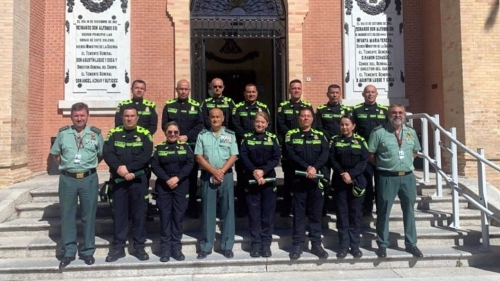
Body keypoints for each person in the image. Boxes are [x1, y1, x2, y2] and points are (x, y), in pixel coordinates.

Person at [50, 102, 104, 269]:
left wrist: (85, 167)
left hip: (88, 178)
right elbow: (56, 155)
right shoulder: (63, 133)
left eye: (82, 115)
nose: (79, 118)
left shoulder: (96, 134)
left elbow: (100, 155)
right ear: (71, 117)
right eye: (76, 116)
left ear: (87, 116)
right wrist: (70, 168)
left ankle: (88, 251)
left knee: (89, 215)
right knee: (67, 215)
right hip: (68, 179)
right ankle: (68, 251)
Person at [367, 104, 423, 258]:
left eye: (400, 112)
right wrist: (386, 164)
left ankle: (411, 244)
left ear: (404, 114)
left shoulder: (410, 132)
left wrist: (404, 163)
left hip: (407, 177)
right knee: (384, 210)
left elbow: (415, 152)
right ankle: (383, 244)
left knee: (410, 211)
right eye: (394, 113)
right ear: (388, 114)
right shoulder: (379, 132)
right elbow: (371, 154)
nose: (397, 115)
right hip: (387, 177)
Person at [103, 105, 154, 262]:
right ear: (122, 117)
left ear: (137, 118)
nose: (129, 118)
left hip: (137, 181)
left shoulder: (145, 134)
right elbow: (107, 152)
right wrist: (119, 169)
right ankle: (118, 248)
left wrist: (129, 169)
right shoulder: (113, 133)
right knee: (119, 214)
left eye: (132, 116)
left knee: (139, 215)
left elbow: (146, 155)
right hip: (118, 181)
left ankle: (139, 247)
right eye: (126, 116)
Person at [284, 107, 329, 260]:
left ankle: (316, 244)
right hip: (298, 181)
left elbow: (325, 154)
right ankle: (297, 245)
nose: (305, 118)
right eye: (302, 115)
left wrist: (315, 168)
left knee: (316, 214)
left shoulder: (320, 135)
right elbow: (291, 154)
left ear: (312, 118)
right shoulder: (291, 135)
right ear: (298, 118)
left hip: (315, 181)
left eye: (308, 116)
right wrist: (307, 167)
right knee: (298, 214)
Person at [194, 108, 239, 259]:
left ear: (223, 118)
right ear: (209, 119)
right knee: (208, 213)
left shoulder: (230, 135)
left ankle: (227, 246)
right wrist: (214, 171)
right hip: (208, 177)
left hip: (225, 177)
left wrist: (221, 172)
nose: (215, 119)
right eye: (212, 117)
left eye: (217, 117)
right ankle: (206, 246)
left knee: (228, 211)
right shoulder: (202, 136)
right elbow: (199, 157)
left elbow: (234, 155)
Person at [115, 79, 158, 221]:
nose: (139, 90)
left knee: (143, 182)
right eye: (136, 88)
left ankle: (144, 211)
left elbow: (153, 126)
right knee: (125, 185)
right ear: (132, 89)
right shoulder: (123, 105)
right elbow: (117, 125)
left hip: (142, 150)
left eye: (142, 88)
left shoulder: (150, 106)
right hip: (125, 149)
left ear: (145, 90)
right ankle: (127, 212)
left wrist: (142, 138)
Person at [151, 121, 195, 262]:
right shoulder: (159, 148)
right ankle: (165, 250)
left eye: (175, 132)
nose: (172, 134)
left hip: (180, 186)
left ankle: (176, 249)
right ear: (165, 132)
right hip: (164, 187)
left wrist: (177, 178)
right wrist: (166, 179)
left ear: (179, 133)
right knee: (165, 218)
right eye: (170, 132)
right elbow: (155, 165)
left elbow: (190, 164)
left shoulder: (185, 147)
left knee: (177, 218)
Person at [239, 111, 281, 258]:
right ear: (253, 122)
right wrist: (255, 172)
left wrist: (263, 171)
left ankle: (266, 245)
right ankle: (255, 244)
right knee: (254, 214)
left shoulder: (272, 138)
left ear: (267, 124)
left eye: (263, 122)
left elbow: (276, 158)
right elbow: (243, 157)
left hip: (268, 180)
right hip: (252, 180)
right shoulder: (247, 138)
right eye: (257, 121)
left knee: (268, 215)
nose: (260, 124)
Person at [161, 79, 204, 218]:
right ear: (176, 89)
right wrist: (174, 136)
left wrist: (187, 136)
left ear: (189, 90)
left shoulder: (195, 106)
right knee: (175, 177)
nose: (183, 91)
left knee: (191, 179)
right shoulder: (169, 105)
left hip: (189, 148)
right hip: (172, 148)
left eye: (186, 89)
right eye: (181, 89)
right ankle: (176, 209)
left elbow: (200, 125)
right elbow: (164, 125)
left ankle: (191, 207)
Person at [329, 115, 368, 259]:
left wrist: (351, 174)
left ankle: (355, 246)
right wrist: (342, 173)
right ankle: (344, 246)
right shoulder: (335, 141)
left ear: (353, 126)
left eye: (347, 124)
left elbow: (364, 160)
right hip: (340, 182)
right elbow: (332, 159)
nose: (344, 127)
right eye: (342, 125)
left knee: (355, 215)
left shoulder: (361, 141)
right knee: (342, 215)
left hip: (356, 182)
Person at [232, 83, 271, 218]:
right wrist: (248, 138)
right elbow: (235, 125)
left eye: (253, 92)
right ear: (244, 93)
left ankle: (258, 209)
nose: (251, 94)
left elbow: (268, 126)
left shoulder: (263, 107)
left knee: (260, 180)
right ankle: (242, 208)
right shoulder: (237, 108)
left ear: (257, 93)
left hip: (260, 150)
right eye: (248, 92)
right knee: (242, 180)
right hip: (243, 148)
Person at [277, 79, 315, 217]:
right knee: (288, 180)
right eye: (293, 88)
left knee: (304, 180)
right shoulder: (283, 106)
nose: (296, 90)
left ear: (301, 90)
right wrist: (293, 136)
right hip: (289, 149)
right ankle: (286, 208)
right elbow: (281, 125)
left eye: (298, 88)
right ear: (289, 90)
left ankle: (304, 209)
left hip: (304, 149)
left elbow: (312, 124)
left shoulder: (307, 106)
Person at [351, 85, 388, 216]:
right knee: (365, 181)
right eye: (367, 92)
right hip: (364, 152)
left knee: (381, 182)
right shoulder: (356, 110)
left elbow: (390, 131)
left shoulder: (384, 111)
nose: (370, 94)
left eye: (372, 92)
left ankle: (381, 209)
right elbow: (351, 130)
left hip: (381, 153)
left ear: (377, 94)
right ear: (363, 94)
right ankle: (367, 208)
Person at [316, 84, 352, 216]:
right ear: (327, 94)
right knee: (324, 180)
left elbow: (349, 127)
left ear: (340, 94)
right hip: (326, 149)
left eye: (337, 92)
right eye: (332, 93)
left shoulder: (346, 110)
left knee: (340, 179)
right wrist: (330, 138)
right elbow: (318, 128)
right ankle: (323, 209)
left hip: (341, 149)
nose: (334, 95)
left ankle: (339, 208)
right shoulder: (321, 110)